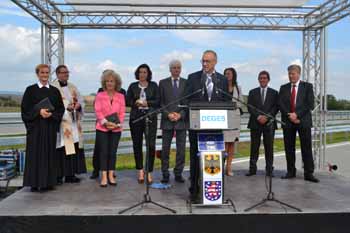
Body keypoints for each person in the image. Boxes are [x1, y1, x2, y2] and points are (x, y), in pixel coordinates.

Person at [183, 50, 229, 202]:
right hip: (197, 126)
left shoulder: (222, 79)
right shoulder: (193, 78)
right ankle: (194, 191)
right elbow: (186, 100)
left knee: (216, 158)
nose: (204, 64)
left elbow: (227, 102)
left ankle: (216, 191)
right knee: (196, 159)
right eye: (203, 61)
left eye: (208, 61)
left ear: (215, 62)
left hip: (216, 126)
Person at [21, 64, 65, 192]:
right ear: (37, 74)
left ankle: (48, 182)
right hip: (35, 129)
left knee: (49, 154)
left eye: (47, 73)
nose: (45, 75)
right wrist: (38, 112)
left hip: (50, 127)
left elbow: (60, 109)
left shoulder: (54, 91)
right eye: (42, 73)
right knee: (35, 155)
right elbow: (25, 110)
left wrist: (52, 114)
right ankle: (34, 183)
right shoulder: (30, 90)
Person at [278, 64, 319, 183]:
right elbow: (280, 103)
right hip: (288, 121)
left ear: (298, 74)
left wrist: (297, 115)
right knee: (289, 148)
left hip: (303, 121)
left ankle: (309, 173)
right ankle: (291, 171)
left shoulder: (307, 86)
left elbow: (309, 104)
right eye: (289, 74)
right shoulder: (283, 87)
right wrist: (290, 115)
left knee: (306, 148)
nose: (291, 76)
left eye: (293, 73)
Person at [52, 65, 87, 184]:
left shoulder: (73, 86)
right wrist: (66, 107)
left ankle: (70, 175)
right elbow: (53, 104)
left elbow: (81, 100)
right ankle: (57, 175)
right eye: (62, 72)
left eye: (67, 72)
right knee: (61, 149)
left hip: (72, 122)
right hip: (61, 124)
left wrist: (78, 105)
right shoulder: (53, 87)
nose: (65, 74)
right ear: (57, 74)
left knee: (72, 148)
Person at [126, 64, 160, 184]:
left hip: (150, 118)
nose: (142, 74)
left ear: (148, 73)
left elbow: (158, 101)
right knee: (137, 145)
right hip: (136, 119)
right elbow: (127, 101)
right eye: (140, 72)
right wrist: (135, 103)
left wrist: (147, 103)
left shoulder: (154, 85)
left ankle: (149, 172)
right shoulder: (132, 86)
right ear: (137, 74)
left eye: (145, 72)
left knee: (151, 145)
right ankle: (140, 170)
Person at [90, 75, 126, 180]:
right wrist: (105, 123)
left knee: (112, 153)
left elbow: (122, 112)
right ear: (104, 83)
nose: (109, 83)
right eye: (107, 81)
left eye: (112, 81)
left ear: (116, 83)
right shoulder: (100, 95)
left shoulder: (121, 96)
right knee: (103, 152)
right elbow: (98, 111)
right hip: (102, 128)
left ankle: (111, 175)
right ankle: (104, 176)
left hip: (116, 128)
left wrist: (116, 124)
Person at [159, 60, 188, 184]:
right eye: (174, 68)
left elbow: (187, 103)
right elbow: (160, 103)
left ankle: (178, 173)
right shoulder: (163, 83)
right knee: (165, 149)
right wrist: (168, 114)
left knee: (181, 150)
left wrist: (180, 115)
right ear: (170, 69)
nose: (176, 70)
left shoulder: (186, 83)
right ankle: (165, 174)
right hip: (167, 120)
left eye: (178, 68)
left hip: (181, 121)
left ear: (181, 69)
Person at [246, 71, 278, 177]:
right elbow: (249, 106)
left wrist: (267, 117)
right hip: (255, 123)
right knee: (254, 147)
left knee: (269, 148)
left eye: (264, 78)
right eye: (261, 78)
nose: (262, 80)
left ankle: (269, 170)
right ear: (258, 79)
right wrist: (258, 116)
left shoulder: (274, 93)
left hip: (269, 124)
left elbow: (275, 107)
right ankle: (252, 169)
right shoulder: (252, 92)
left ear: (268, 80)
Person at [223, 67, 243, 176]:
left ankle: (229, 168)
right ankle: (221, 166)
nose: (227, 75)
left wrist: (233, 105)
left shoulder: (238, 88)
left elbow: (241, 103)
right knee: (225, 144)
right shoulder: (221, 87)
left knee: (232, 145)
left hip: (235, 118)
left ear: (233, 75)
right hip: (224, 118)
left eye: (229, 73)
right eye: (226, 73)